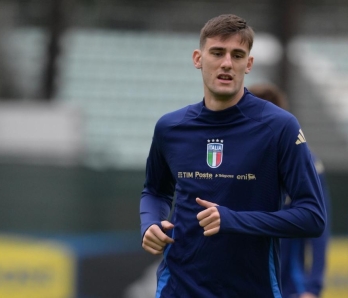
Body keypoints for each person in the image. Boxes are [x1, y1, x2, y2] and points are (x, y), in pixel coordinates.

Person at [140, 14, 327, 298]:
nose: (227, 62)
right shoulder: (170, 127)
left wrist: (234, 221)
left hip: (254, 289)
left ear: (248, 64)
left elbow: (313, 216)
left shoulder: (279, 127)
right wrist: (150, 222)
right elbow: (154, 190)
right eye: (217, 52)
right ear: (198, 58)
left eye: (237, 55)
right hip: (179, 288)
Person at [248, 83, 332, 298]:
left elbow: (319, 229)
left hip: (289, 287)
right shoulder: (239, 160)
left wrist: (312, 287)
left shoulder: (305, 161)